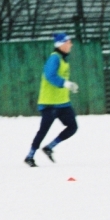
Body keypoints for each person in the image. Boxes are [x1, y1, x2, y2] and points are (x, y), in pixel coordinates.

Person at [25, 33, 79, 167]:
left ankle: (49, 147)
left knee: (72, 127)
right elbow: (50, 75)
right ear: (61, 44)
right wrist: (65, 83)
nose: (70, 44)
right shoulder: (54, 58)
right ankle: (30, 156)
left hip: (63, 103)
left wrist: (68, 85)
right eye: (68, 42)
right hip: (50, 103)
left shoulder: (63, 59)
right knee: (43, 130)